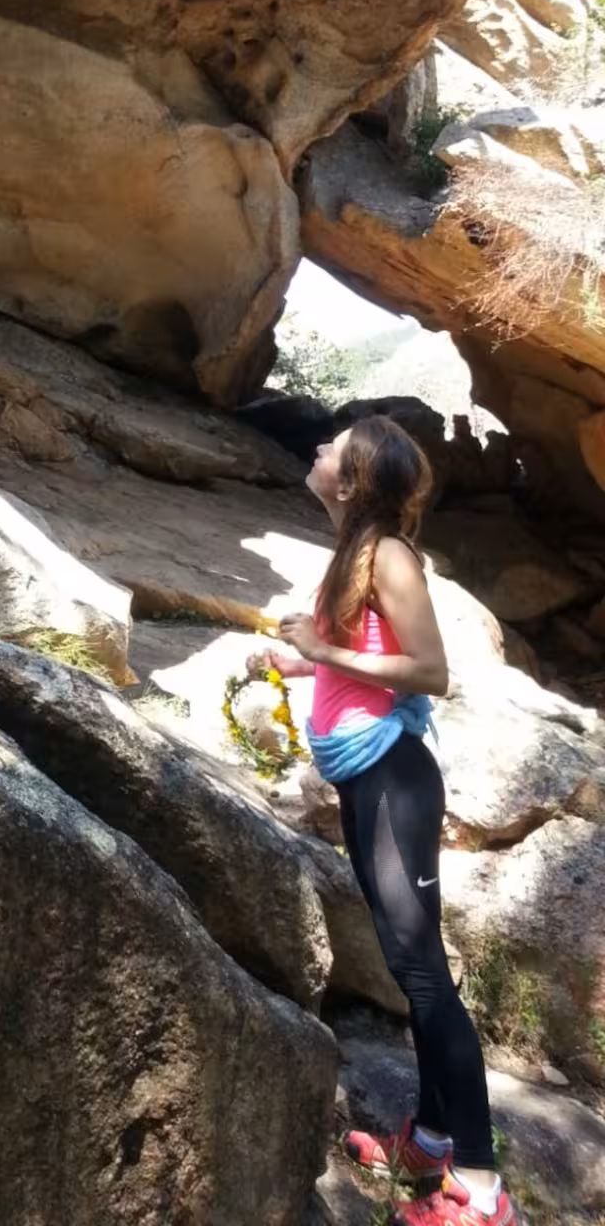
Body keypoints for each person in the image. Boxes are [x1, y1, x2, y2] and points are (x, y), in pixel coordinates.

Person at [247, 414, 516, 1226]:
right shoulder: (355, 554)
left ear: (354, 479)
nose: (319, 451)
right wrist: (300, 658)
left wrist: (323, 656)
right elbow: (365, 652)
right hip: (368, 782)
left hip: (397, 782)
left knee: (423, 972)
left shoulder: (392, 555)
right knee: (412, 968)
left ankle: (482, 1190)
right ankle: (432, 1144)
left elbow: (431, 671)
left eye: (333, 447)